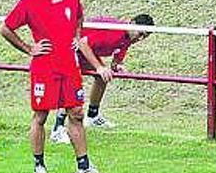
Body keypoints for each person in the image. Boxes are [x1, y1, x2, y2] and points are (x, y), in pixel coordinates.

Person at [0, 0, 111, 173]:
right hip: (44, 67)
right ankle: (39, 166)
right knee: (41, 116)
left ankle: (83, 167)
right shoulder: (30, 0)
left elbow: (79, 16)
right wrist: (29, 49)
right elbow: (5, 28)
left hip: (69, 65)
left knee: (76, 113)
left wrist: (76, 36)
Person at [51, 14, 154, 143]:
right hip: (68, 45)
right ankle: (57, 129)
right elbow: (83, 43)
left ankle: (92, 116)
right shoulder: (115, 32)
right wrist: (99, 67)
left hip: (80, 49)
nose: (140, 38)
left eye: (144, 36)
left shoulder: (129, 38)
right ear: (131, 23)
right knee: (73, 82)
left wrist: (117, 65)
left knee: (103, 77)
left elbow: (119, 53)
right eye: (140, 33)